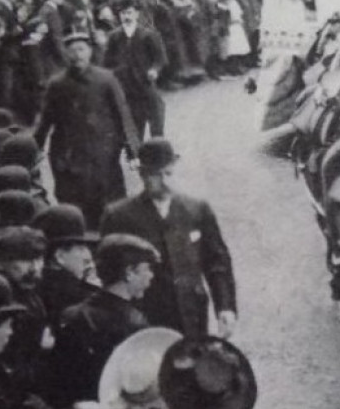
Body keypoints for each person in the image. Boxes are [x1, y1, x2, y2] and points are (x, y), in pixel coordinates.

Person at [100, 138, 237, 340]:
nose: (164, 181)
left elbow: (217, 262)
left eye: (168, 173)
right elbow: (108, 273)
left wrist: (225, 307)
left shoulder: (196, 210)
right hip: (144, 320)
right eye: (156, 175)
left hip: (192, 316)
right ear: (142, 174)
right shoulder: (119, 217)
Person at [32, 29, 140, 228]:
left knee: (109, 199)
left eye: (81, 49)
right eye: (72, 51)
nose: (77, 55)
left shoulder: (106, 79)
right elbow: (45, 119)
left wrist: (133, 150)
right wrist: (34, 148)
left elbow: (123, 115)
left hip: (102, 151)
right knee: (73, 201)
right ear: (65, 54)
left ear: (90, 52)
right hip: (68, 152)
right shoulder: (57, 84)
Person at [44, 233, 160, 408]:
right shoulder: (134, 323)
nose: (151, 276)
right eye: (147, 269)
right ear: (129, 273)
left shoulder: (71, 314)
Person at [103, 0, 167, 139]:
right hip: (125, 83)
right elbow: (107, 61)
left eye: (130, 13)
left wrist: (154, 70)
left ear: (137, 14)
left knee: (155, 108)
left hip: (145, 80)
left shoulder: (148, 34)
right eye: (123, 13)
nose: (126, 16)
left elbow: (160, 58)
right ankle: (136, 149)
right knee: (133, 114)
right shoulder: (114, 36)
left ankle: (157, 141)